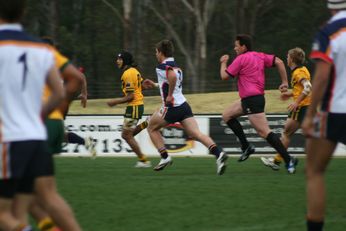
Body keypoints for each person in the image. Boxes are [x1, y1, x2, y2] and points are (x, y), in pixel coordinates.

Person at [0, 1, 82, 230]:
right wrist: (38, 115)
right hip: (36, 137)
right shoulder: (42, 48)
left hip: (8, 139)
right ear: (23, 12)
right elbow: (62, 88)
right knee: (41, 200)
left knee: (3, 214)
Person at [143, 39, 228, 175]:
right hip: (183, 106)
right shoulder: (177, 66)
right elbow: (171, 81)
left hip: (171, 107)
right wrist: (155, 85)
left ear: (161, 53)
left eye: (156, 52)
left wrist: (169, 95)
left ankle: (165, 157)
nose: (156, 55)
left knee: (151, 128)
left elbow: (171, 78)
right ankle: (219, 154)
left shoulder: (161, 67)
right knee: (196, 134)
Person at [27, 37, 85, 231]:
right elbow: (77, 78)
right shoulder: (52, 58)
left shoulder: (25, 52)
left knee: (20, 190)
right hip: (55, 121)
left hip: (36, 124)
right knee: (42, 191)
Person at [219, 34, 298, 174]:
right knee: (227, 115)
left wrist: (223, 62)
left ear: (243, 47)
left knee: (264, 132)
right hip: (251, 99)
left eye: (237, 46)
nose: (235, 48)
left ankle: (288, 159)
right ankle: (246, 147)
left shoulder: (241, 59)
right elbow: (279, 62)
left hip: (252, 100)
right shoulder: (259, 56)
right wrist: (285, 82)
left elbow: (224, 76)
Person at [302, 1, 346, 230]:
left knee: (315, 171)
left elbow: (320, 78)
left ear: (330, 7)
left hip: (336, 111)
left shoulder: (329, 31)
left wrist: (310, 116)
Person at [261, 47, 311, 170]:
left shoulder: (298, 73)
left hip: (301, 107)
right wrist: (289, 94)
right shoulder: (302, 69)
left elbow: (308, 87)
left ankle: (278, 160)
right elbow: (300, 89)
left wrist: (296, 103)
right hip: (307, 106)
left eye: (288, 57)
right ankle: (279, 160)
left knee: (287, 133)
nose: (286, 58)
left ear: (292, 59)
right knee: (304, 135)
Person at [107, 51, 151, 168]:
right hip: (138, 106)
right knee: (128, 134)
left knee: (126, 135)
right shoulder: (135, 71)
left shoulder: (127, 74)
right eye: (117, 59)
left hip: (134, 107)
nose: (117, 61)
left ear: (125, 60)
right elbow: (141, 87)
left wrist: (114, 102)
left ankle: (144, 160)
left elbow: (131, 96)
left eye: (120, 59)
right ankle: (147, 123)